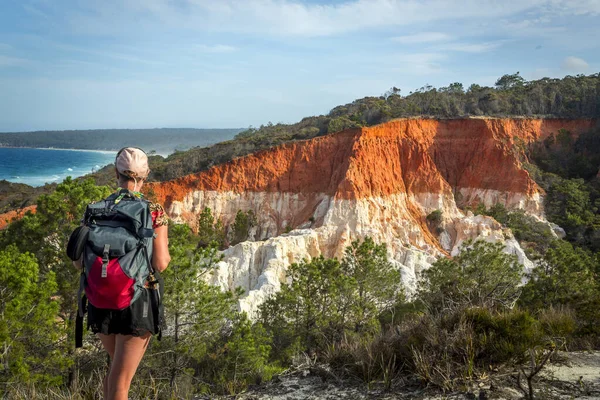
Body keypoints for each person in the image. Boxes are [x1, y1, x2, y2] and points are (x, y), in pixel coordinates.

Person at [74, 147, 171, 400]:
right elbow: (160, 263)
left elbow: (78, 263)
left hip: (99, 298)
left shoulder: (94, 209)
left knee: (114, 373)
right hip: (136, 302)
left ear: (115, 173)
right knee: (121, 382)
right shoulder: (153, 210)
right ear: (146, 175)